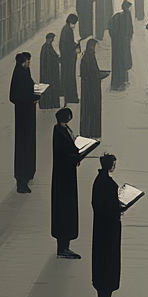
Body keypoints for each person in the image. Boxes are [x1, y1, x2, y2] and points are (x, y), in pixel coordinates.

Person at [92, 152, 124, 297]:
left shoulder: (98, 181)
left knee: (100, 262)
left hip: (100, 228)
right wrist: (118, 209)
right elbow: (109, 206)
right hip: (109, 229)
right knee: (109, 262)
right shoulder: (109, 184)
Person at [51, 107, 85, 258]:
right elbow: (62, 155)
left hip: (66, 175)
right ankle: (63, 247)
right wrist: (77, 157)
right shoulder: (60, 133)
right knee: (65, 210)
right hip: (64, 177)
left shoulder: (62, 130)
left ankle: (64, 246)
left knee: (66, 210)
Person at [10, 51, 40, 193]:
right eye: (28, 61)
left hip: (28, 112)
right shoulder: (19, 74)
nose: (29, 63)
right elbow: (16, 96)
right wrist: (31, 99)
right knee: (23, 143)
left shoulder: (24, 71)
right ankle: (21, 179)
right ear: (23, 61)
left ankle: (28, 172)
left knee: (28, 141)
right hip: (23, 114)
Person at [79, 38, 109, 137]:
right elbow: (91, 74)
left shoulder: (88, 56)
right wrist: (101, 75)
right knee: (91, 111)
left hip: (90, 89)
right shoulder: (88, 58)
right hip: (91, 90)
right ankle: (91, 132)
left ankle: (90, 132)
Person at [108, 0, 133, 90]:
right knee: (122, 61)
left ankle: (123, 80)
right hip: (122, 44)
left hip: (123, 43)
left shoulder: (124, 15)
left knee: (123, 61)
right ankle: (122, 81)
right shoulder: (123, 16)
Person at [59, 14, 81, 103]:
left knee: (69, 78)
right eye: (74, 23)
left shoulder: (66, 29)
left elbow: (67, 43)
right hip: (68, 59)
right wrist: (74, 48)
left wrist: (74, 45)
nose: (74, 25)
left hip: (67, 59)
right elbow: (66, 46)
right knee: (69, 78)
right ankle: (71, 98)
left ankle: (71, 97)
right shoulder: (67, 30)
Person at [37, 32, 61, 109]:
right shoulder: (46, 47)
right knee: (49, 88)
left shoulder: (47, 47)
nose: (53, 40)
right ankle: (49, 103)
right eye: (52, 39)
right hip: (49, 73)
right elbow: (49, 60)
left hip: (49, 73)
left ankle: (50, 103)